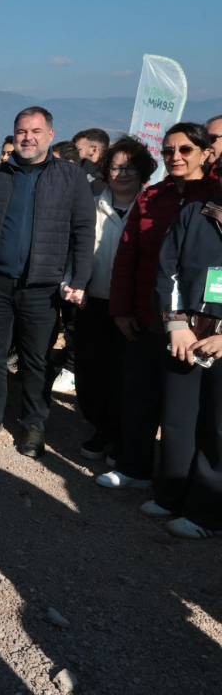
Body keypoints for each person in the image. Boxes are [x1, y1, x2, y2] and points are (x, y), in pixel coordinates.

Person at [0, 106, 95, 458]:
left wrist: (80, 278)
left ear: (50, 135)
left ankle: (33, 424)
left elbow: (83, 230)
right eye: (21, 131)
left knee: (36, 359)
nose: (27, 137)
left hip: (43, 287)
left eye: (35, 131)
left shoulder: (70, 177)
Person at [101, 123, 218, 488]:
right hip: (148, 314)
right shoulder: (152, 197)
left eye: (185, 150)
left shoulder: (213, 197)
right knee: (139, 395)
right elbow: (128, 255)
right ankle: (134, 468)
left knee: (185, 411)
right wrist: (120, 308)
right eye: (168, 151)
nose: (176, 157)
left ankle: (179, 484)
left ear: (204, 153)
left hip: (199, 327)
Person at [74, 137, 155, 460]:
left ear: (144, 171)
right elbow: (76, 247)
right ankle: (101, 427)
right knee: (91, 372)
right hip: (92, 300)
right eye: (116, 167)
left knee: (126, 376)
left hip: (133, 308)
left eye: (130, 168)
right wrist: (74, 283)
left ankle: (121, 436)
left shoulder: (149, 208)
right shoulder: (91, 204)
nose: (122, 174)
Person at [150, 186, 222, 538]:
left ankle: (207, 514)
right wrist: (176, 325)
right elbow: (168, 269)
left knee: (219, 430)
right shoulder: (196, 212)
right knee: (179, 420)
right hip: (188, 335)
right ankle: (171, 495)